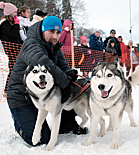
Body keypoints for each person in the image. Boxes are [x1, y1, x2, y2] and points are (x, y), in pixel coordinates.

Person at [7, 16, 88, 147]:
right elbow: (42, 62)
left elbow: (62, 66)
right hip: (21, 96)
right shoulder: (32, 44)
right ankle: (20, 120)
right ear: (43, 30)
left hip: (43, 92)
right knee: (40, 139)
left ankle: (67, 125)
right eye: (51, 31)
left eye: (58, 33)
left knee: (68, 88)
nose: (55, 36)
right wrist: (65, 82)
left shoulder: (53, 46)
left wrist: (69, 74)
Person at [0, 1, 22, 97]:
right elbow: (14, 34)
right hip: (11, 50)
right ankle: (7, 90)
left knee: (17, 68)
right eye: (14, 12)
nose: (16, 14)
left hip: (16, 49)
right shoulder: (4, 24)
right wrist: (16, 25)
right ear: (9, 13)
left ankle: (15, 87)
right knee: (13, 69)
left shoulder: (9, 23)